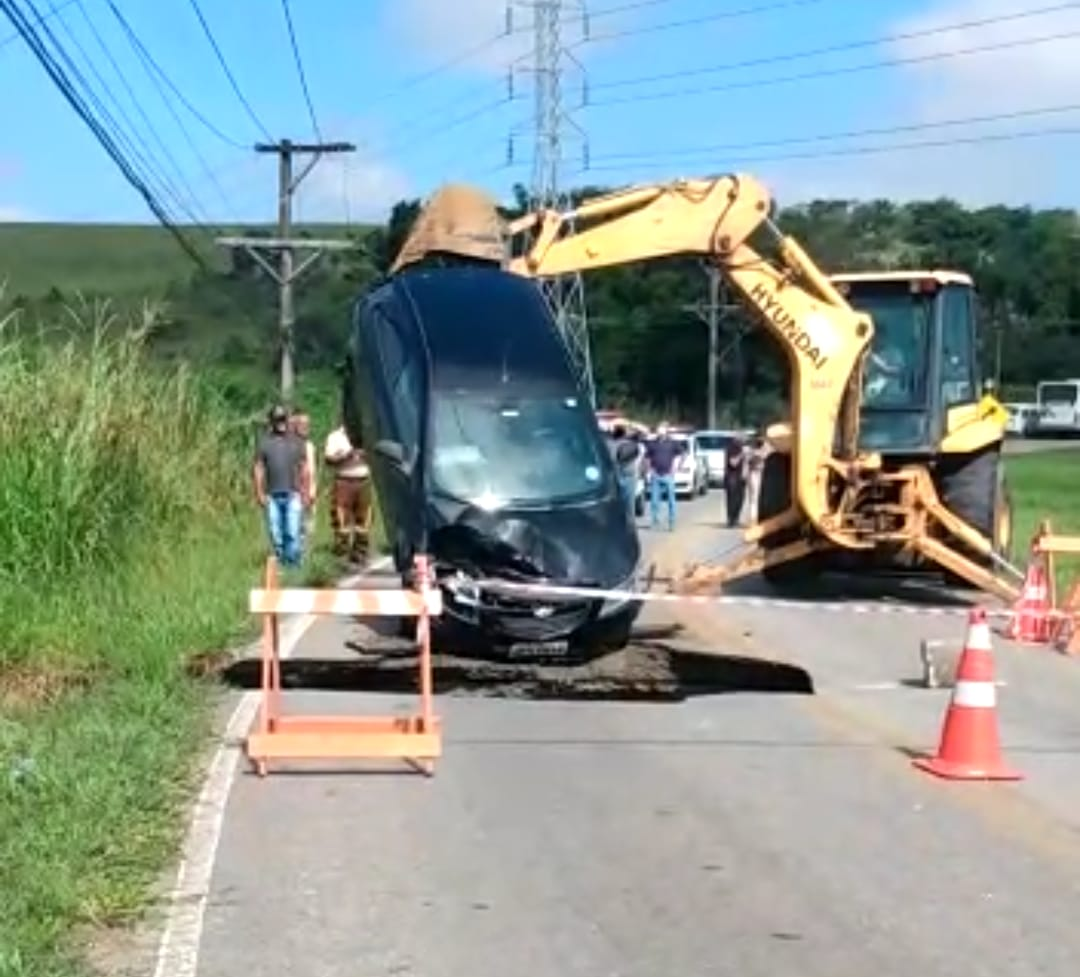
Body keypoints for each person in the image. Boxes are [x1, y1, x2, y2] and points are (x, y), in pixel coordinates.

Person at [253, 404, 310, 567]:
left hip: (293, 494)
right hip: (272, 495)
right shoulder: (264, 443)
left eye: (283, 419)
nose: (281, 423)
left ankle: (293, 564)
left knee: (292, 532)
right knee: (275, 534)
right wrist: (259, 492)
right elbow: (258, 468)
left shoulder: (297, 442)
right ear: (272, 421)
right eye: (277, 420)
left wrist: (305, 492)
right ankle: (280, 566)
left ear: (287, 420)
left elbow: (304, 468)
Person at [323, 418, 373, 563]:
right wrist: (346, 455)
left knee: (364, 519)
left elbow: (377, 457)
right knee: (341, 518)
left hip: (363, 479)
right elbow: (329, 459)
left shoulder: (367, 435)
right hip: (343, 480)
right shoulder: (335, 437)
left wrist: (365, 454)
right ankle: (341, 553)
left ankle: (360, 552)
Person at [646, 421, 683, 531]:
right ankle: (654, 520)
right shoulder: (653, 443)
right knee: (654, 500)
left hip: (668, 475)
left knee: (671, 500)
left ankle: (672, 521)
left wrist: (677, 467)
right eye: (658, 428)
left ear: (666, 430)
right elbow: (647, 457)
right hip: (656, 474)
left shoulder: (672, 443)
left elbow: (682, 454)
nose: (660, 430)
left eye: (662, 428)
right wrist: (649, 470)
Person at [289, 409, 317, 548]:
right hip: (296, 491)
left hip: (309, 490)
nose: (306, 427)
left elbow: (312, 471)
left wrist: (313, 489)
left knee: (307, 528)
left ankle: (303, 557)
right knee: (295, 526)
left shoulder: (309, 445)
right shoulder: (290, 446)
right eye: (302, 423)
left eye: (307, 424)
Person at [608, 422, 640, 519]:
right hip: (628, 475)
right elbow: (642, 432)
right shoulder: (631, 444)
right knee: (629, 505)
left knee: (615, 504)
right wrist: (631, 425)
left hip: (614, 476)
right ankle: (629, 525)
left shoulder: (608, 443)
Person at [723, 435, 748, 528]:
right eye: (742, 440)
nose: (743, 442)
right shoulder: (731, 449)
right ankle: (731, 520)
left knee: (740, 499)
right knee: (732, 500)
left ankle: (736, 518)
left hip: (740, 477)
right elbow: (733, 463)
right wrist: (742, 454)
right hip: (732, 477)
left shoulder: (741, 449)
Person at [745, 434, 767, 522]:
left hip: (760, 473)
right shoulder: (751, 450)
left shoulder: (764, 450)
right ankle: (753, 518)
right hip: (754, 473)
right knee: (754, 497)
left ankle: (756, 517)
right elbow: (748, 461)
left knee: (757, 497)